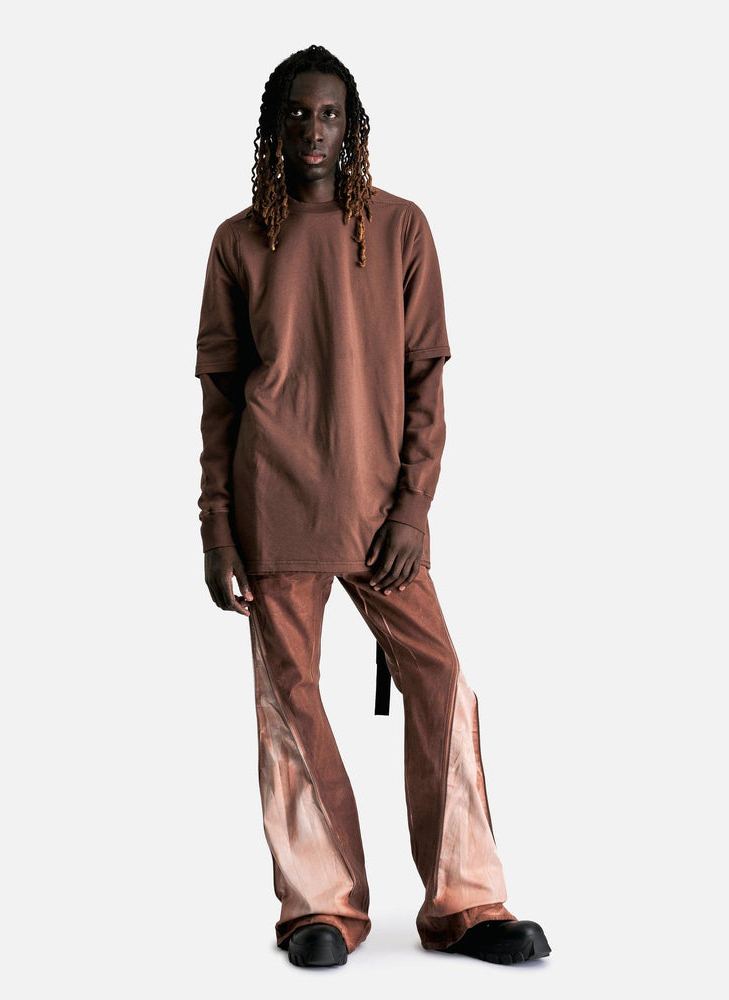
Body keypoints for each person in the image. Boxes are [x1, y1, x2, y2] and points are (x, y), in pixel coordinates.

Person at [194, 43, 552, 969]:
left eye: (328, 115)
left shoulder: (399, 228)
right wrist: (216, 528)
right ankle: (320, 904)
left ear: (351, 128)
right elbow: (221, 401)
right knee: (290, 703)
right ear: (273, 128)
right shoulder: (239, 241)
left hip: (378, 515)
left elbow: (426, 381)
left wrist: (412, 509)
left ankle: (467, 901)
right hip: (275, 508)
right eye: (296, 114)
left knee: (442, 683)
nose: (312, 130)